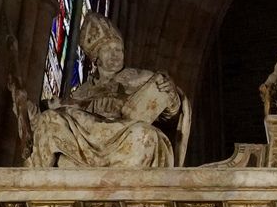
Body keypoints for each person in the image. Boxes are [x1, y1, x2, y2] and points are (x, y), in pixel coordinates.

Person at [26, 12, 189, 168]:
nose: (116, 54)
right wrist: (34, 118)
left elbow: (171, 114)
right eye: (109, 50)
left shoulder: (141, 77)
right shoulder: (81, 92)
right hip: (86, 142)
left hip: (124, 136)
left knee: (145, 136)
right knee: (48, 119)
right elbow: (62, 119)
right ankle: (31, 183)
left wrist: (171, 94)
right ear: (96, 57)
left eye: (119, 49)